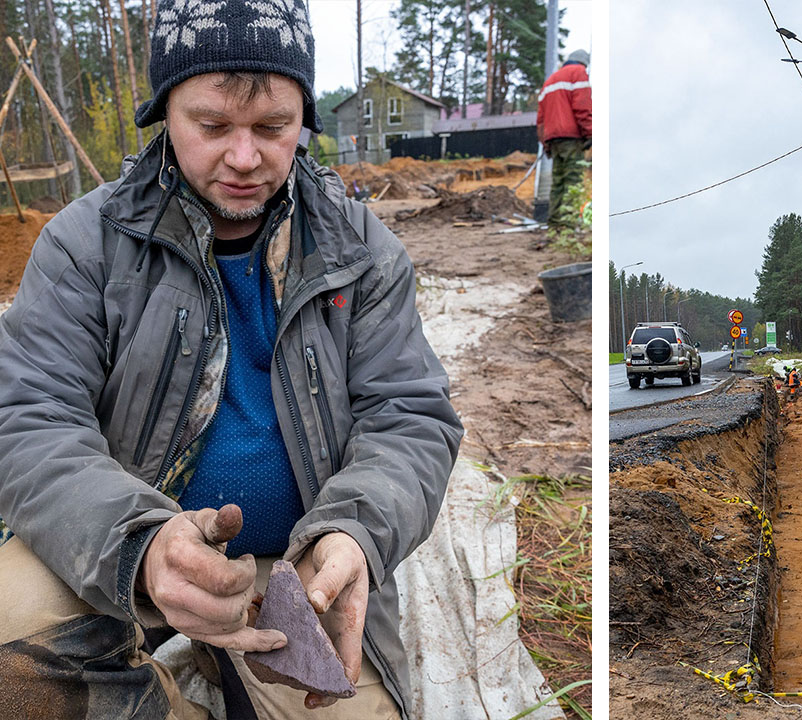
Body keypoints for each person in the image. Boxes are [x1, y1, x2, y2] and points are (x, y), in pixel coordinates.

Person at [0, 1, 463, 717]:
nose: (244, 158)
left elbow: (411, 417)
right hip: (124, 549)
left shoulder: (360, 249)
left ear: (305, 117)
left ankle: (236, 667)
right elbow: (30, 420)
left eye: (273, 128)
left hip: (301, 570)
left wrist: (354, 532)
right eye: (212, 126)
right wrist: (144, 546)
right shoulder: (83, 244)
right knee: (9, 652)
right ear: (164, 113)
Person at [537, 49, 592, 232]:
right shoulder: (578, 73)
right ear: (584, 63)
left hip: (553, 139)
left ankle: (554, 224)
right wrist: (590, 133)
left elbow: (541, 120)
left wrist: (545, 143)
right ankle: (568, 224)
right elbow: (582, 107)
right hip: (571, 137)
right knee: (573, 181)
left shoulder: (550, 81)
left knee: (558, 183)